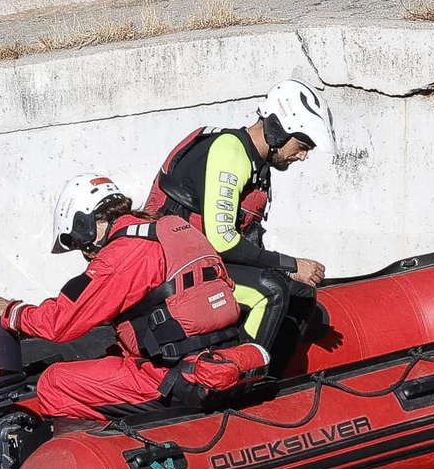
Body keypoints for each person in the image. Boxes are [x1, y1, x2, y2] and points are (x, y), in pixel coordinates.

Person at [0, 176, 267, 421]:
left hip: (172, 378)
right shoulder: (176, 229)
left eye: (76, 241)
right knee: (111, 354)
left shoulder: (122, 253)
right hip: (218, 360)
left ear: (86, 224)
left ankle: (111, 452)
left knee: (53, 382)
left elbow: (61, 322)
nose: (84, 253)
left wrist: (11, 311)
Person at [144, 79, 336, 370]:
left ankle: (275, 377)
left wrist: (287, 270)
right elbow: (222, 240)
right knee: (270, 290)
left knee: (301, 293)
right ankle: (236, 376)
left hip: (204, 262)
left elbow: (245, 240)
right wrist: (290, 264)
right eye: (301, 145)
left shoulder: (258, 166)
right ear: (277, 129)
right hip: (173, 270)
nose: (303, 155)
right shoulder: (229, 151)